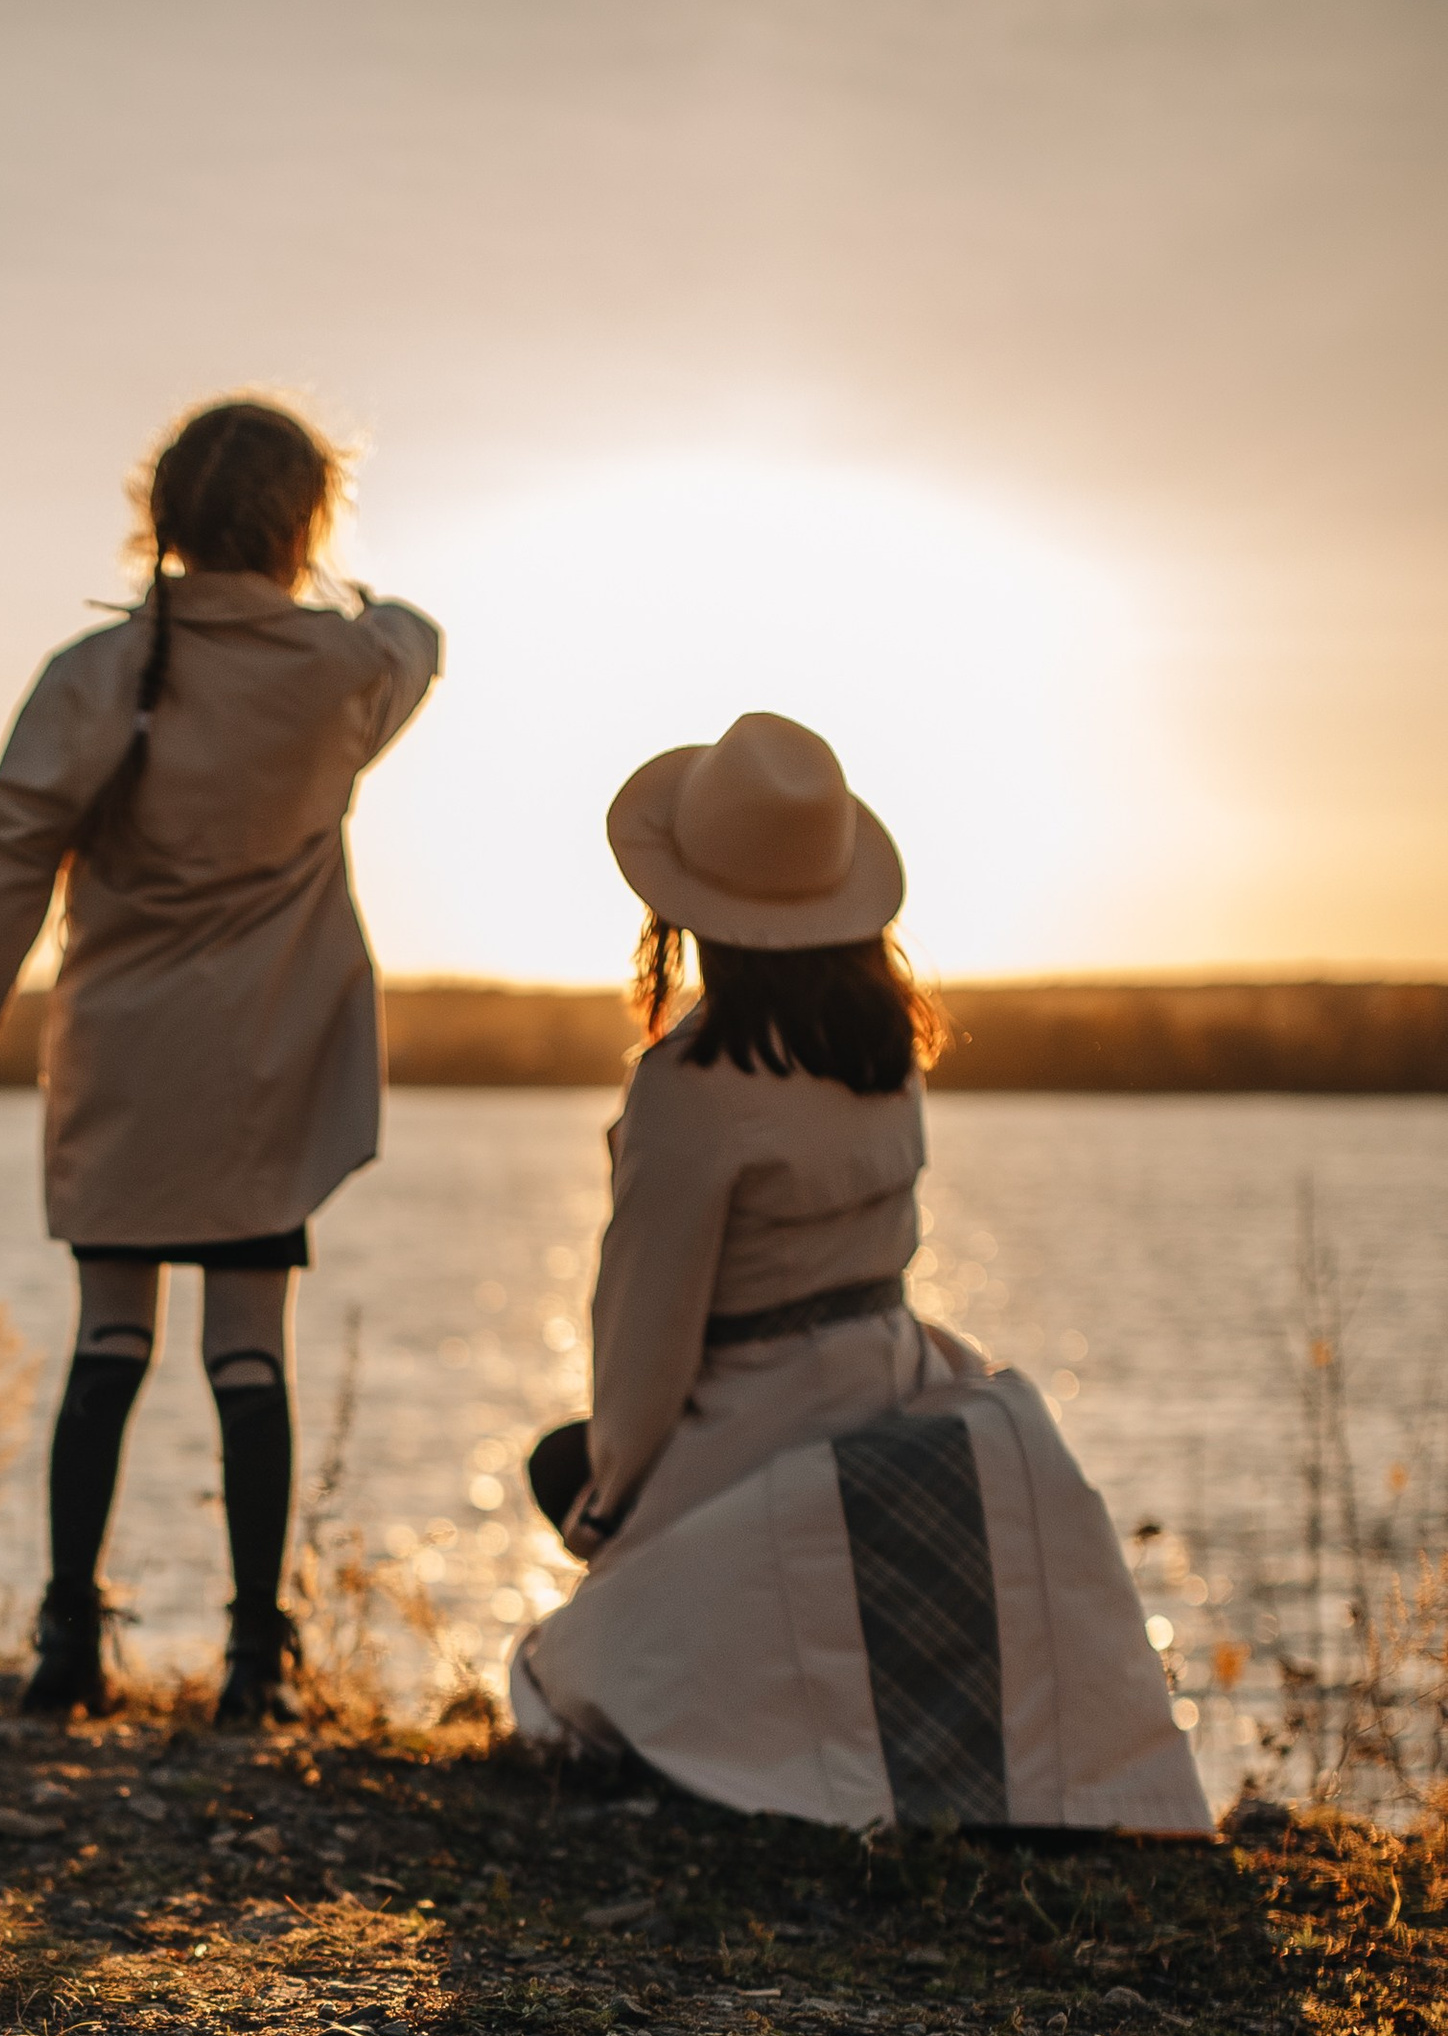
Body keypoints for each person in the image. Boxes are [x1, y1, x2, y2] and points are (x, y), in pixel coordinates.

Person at [510, 711, 1212, 1835]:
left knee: (566, 1528)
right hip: (894, 1383)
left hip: (754, 1416)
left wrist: (610, 1497)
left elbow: (646, 1336)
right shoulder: (887, 1054)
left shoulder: (687, 1085)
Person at [0, 399, 440, 1723]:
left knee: (110, 1340)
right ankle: (256, 1658)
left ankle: (67, 1642)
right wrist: (345, 591)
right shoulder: (342, 668)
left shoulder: (95, 673)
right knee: (250, 1349)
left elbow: (5, 861)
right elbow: (415, 638)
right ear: (306, 521)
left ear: (161, 518)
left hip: (123, 1056)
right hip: (264, 1059)